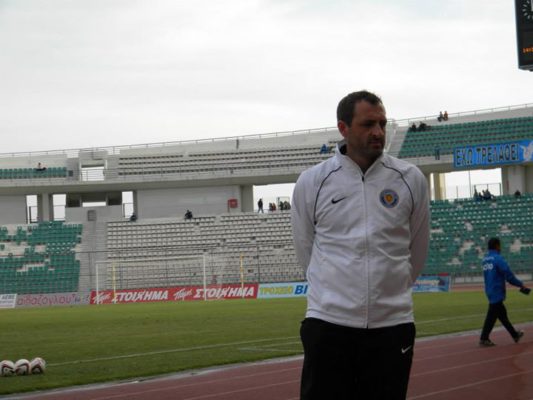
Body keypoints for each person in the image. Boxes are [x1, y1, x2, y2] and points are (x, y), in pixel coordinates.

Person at [291, 90, 430, 400]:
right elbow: (306, 248)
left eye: (382, 123)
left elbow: (417, 249)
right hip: (329, 323)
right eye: (368, 124)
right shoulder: (312, 182)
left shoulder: (410, 179)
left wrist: (388, 292)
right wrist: (334, 293)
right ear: (343, 128)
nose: (378, 132)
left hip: (392, 324)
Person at [479, 237, 527, 347]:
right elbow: (508, 275)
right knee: (491, 316)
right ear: (497, 246)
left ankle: (515, 335)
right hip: (497, 290)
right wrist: (520, 284)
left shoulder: (485, 260)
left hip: (489, 290)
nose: (500, 248)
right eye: (499, 245)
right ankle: (484, 338)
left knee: (502, 315)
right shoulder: (498, 259)